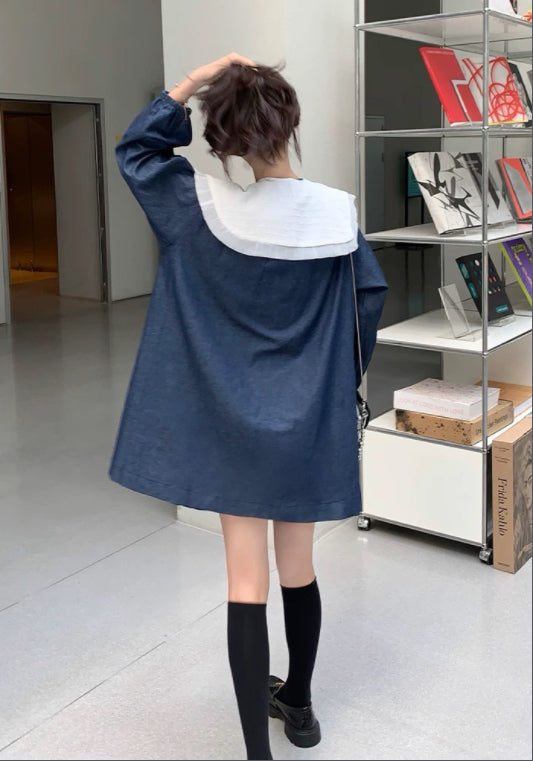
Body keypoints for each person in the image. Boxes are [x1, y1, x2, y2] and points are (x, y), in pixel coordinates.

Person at [110, 53, 387, 760]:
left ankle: (255, 754)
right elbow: (368, 300)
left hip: (231, 426)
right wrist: (332, 385)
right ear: (291, 123)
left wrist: (189, 84)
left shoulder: (195, 210)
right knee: (299, 567)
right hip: (307, 425)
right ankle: (300, 707)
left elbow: (137, 152)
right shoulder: (336, 213)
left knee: (245, 579)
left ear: (221, 140)